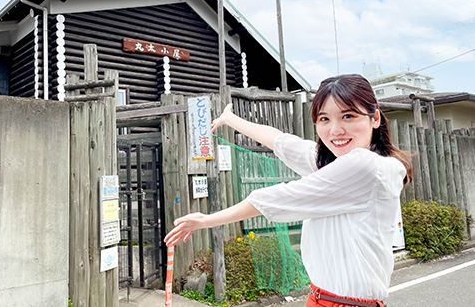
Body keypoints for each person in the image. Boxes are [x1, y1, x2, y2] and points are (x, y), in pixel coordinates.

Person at [164, 74, 411, 307]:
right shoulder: (339, 163)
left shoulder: (365, 166)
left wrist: (207, 220)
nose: (335, 130)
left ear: (374, 118)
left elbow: (281, 197)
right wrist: (231, 120)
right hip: (322, 297)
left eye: (348, 116)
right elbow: (282, 142)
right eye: (324, 119)